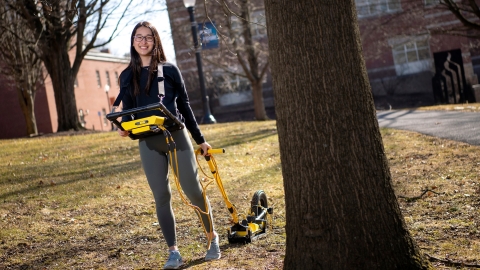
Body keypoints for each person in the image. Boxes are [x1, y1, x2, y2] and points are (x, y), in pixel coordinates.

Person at [117, 21, 221, 269]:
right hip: (148, 142)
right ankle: (173, 252)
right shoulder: (126, 76)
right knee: (161, 196)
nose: (143, 41)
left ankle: (212, 238)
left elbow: (185, 107)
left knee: (193, 191)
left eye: (148, 37)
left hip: (176, 137)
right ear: (133, 42)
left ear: (155, 41)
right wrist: (124, 126)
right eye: (138, 37)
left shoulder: (171, 70)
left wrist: (201, 140)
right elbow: (129, 112)